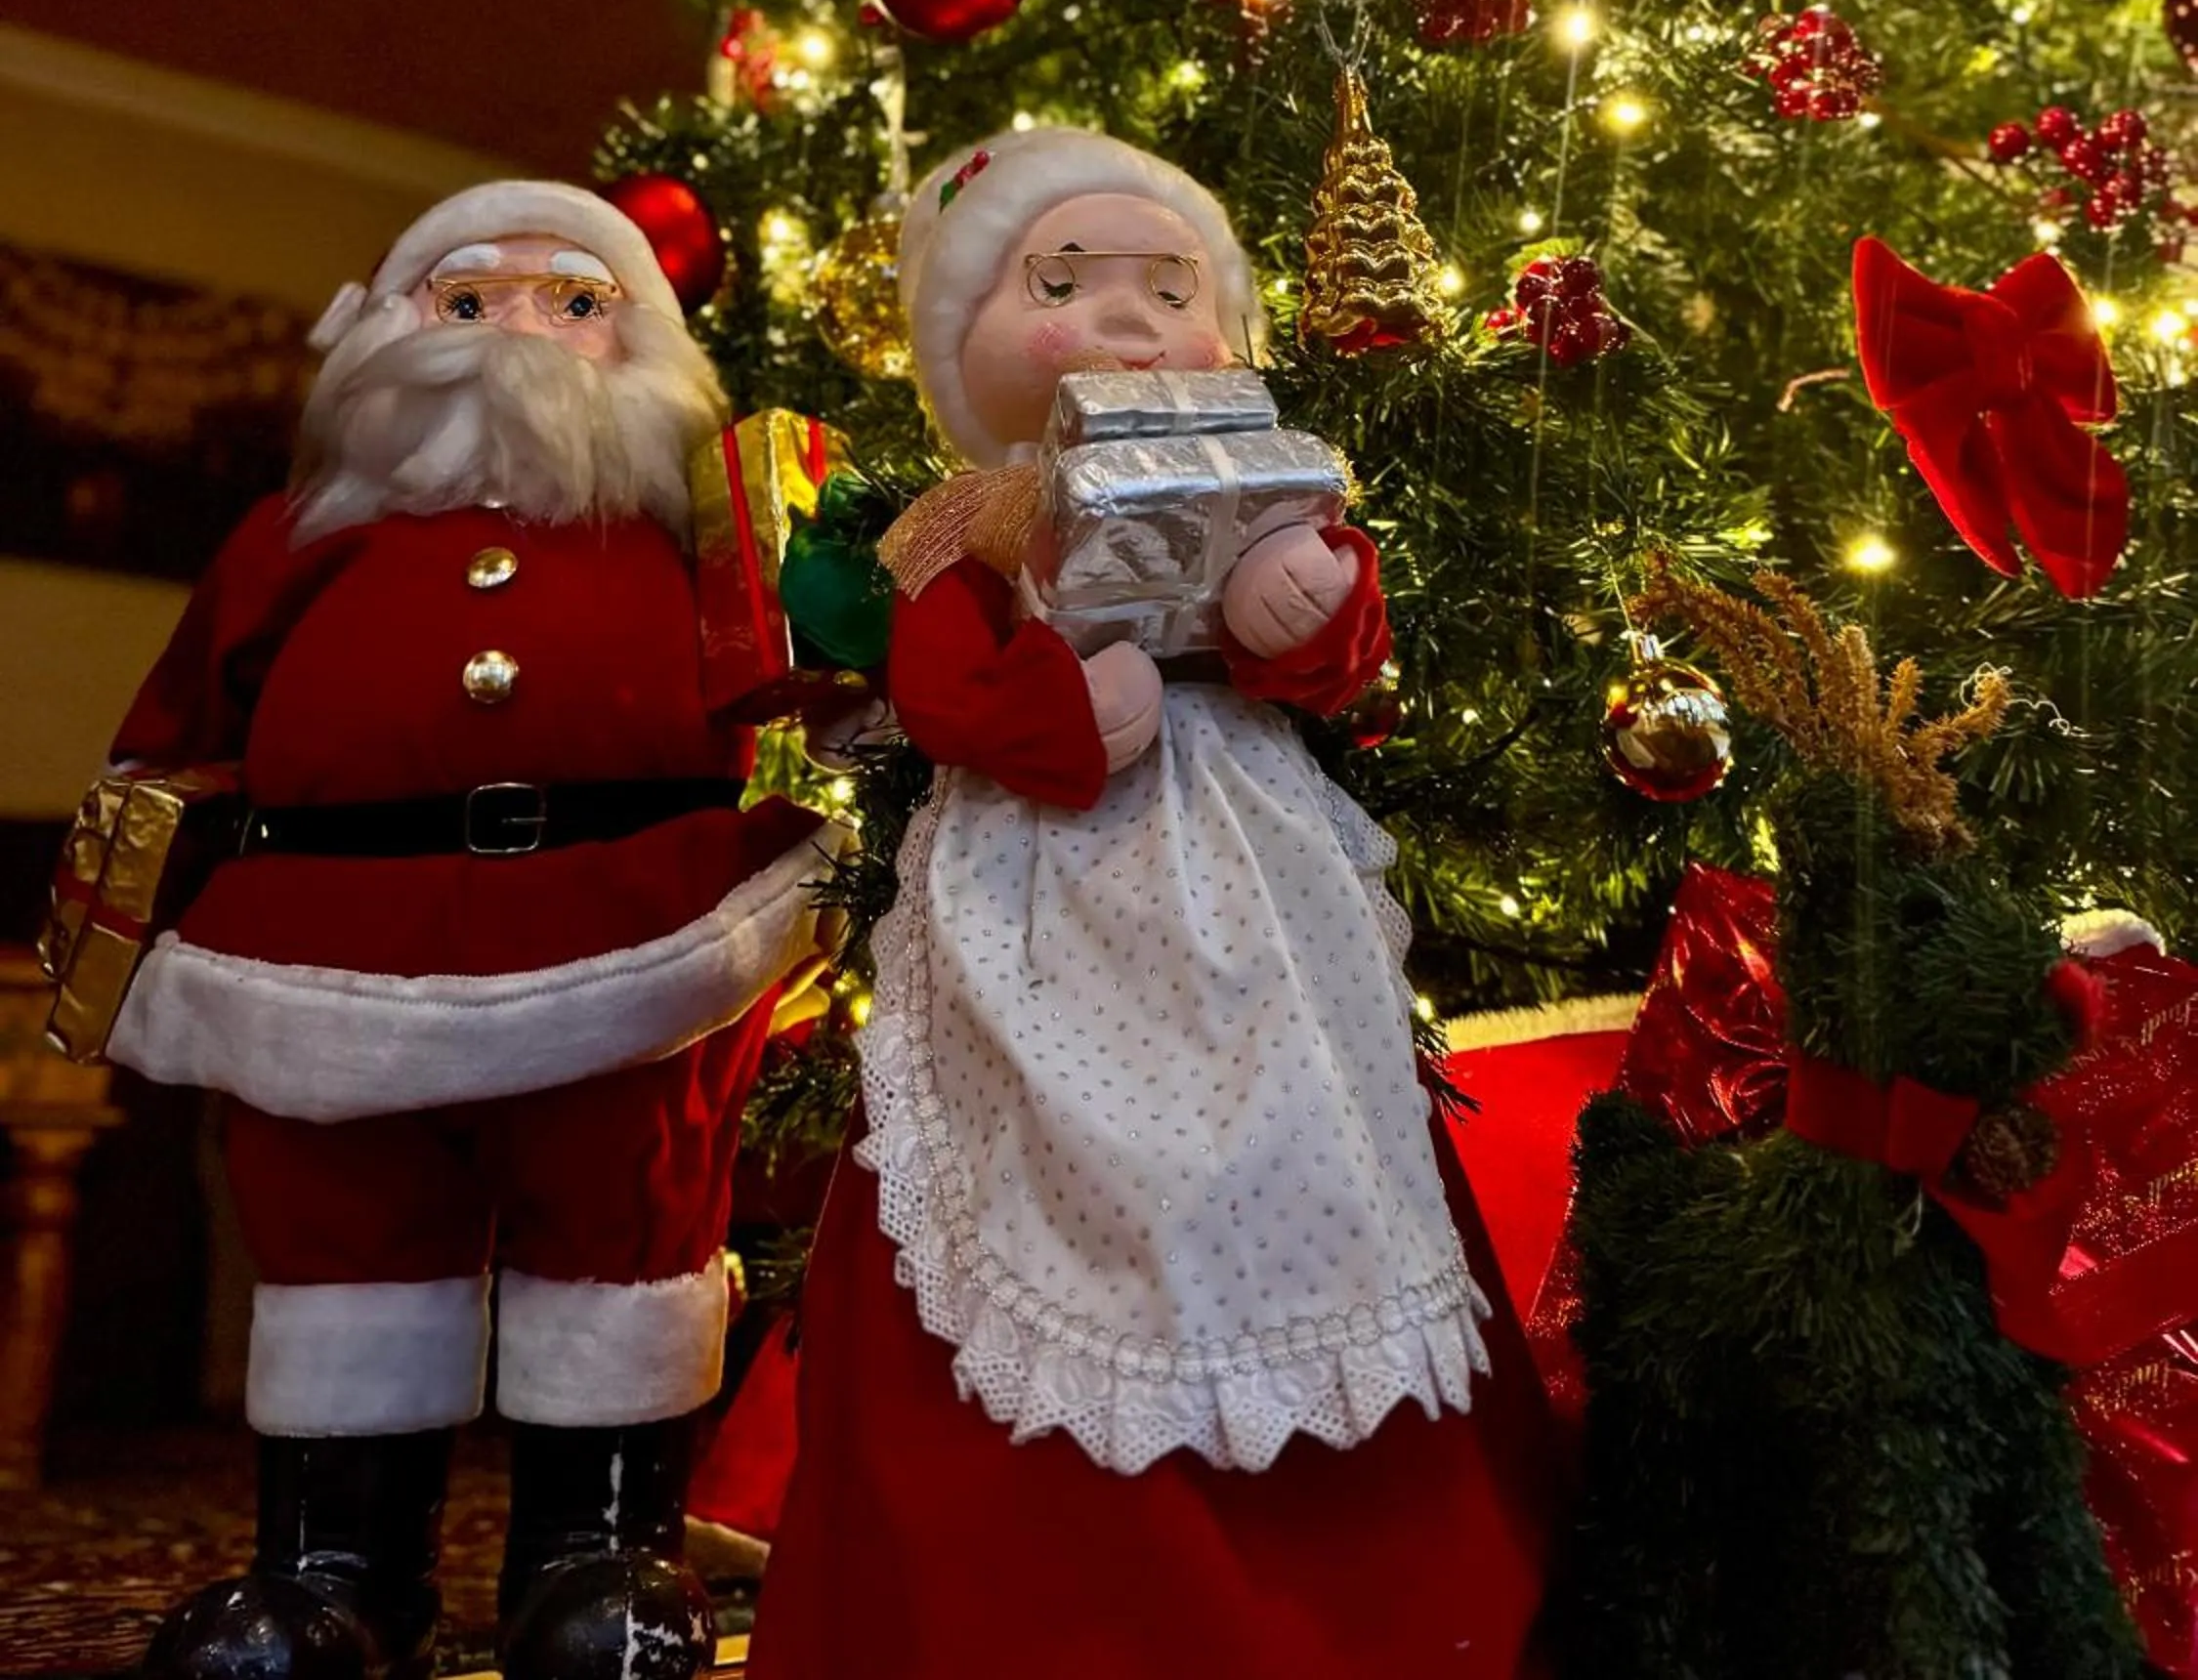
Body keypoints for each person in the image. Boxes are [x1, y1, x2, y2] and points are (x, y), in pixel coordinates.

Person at [747, 125, 1553, 1679]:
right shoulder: (960, 514)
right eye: (1063, 283)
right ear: (963, 337)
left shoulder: (1264, 475)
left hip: (1257, 883)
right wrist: (1050, 709)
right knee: (1018, 1152)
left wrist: (1301, 612)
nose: (1124, 315)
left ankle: (1369, 1571)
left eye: (1166, 285)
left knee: (1307, 1113)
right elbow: (939, 680)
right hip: (1038, 885)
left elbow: (1336, 653)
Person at [95, 180, 842, 1680]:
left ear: (642, 348)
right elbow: (175, 739)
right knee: (342, 1254)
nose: (518, 328)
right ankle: (330, 1576)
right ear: (388, 334)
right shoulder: (293, 533)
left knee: (620, 1241)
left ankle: (596, 1559)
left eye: (573, 302)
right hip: (325, 945)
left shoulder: (710, 536)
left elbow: (811, 698)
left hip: (630, 940)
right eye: (469, 298)